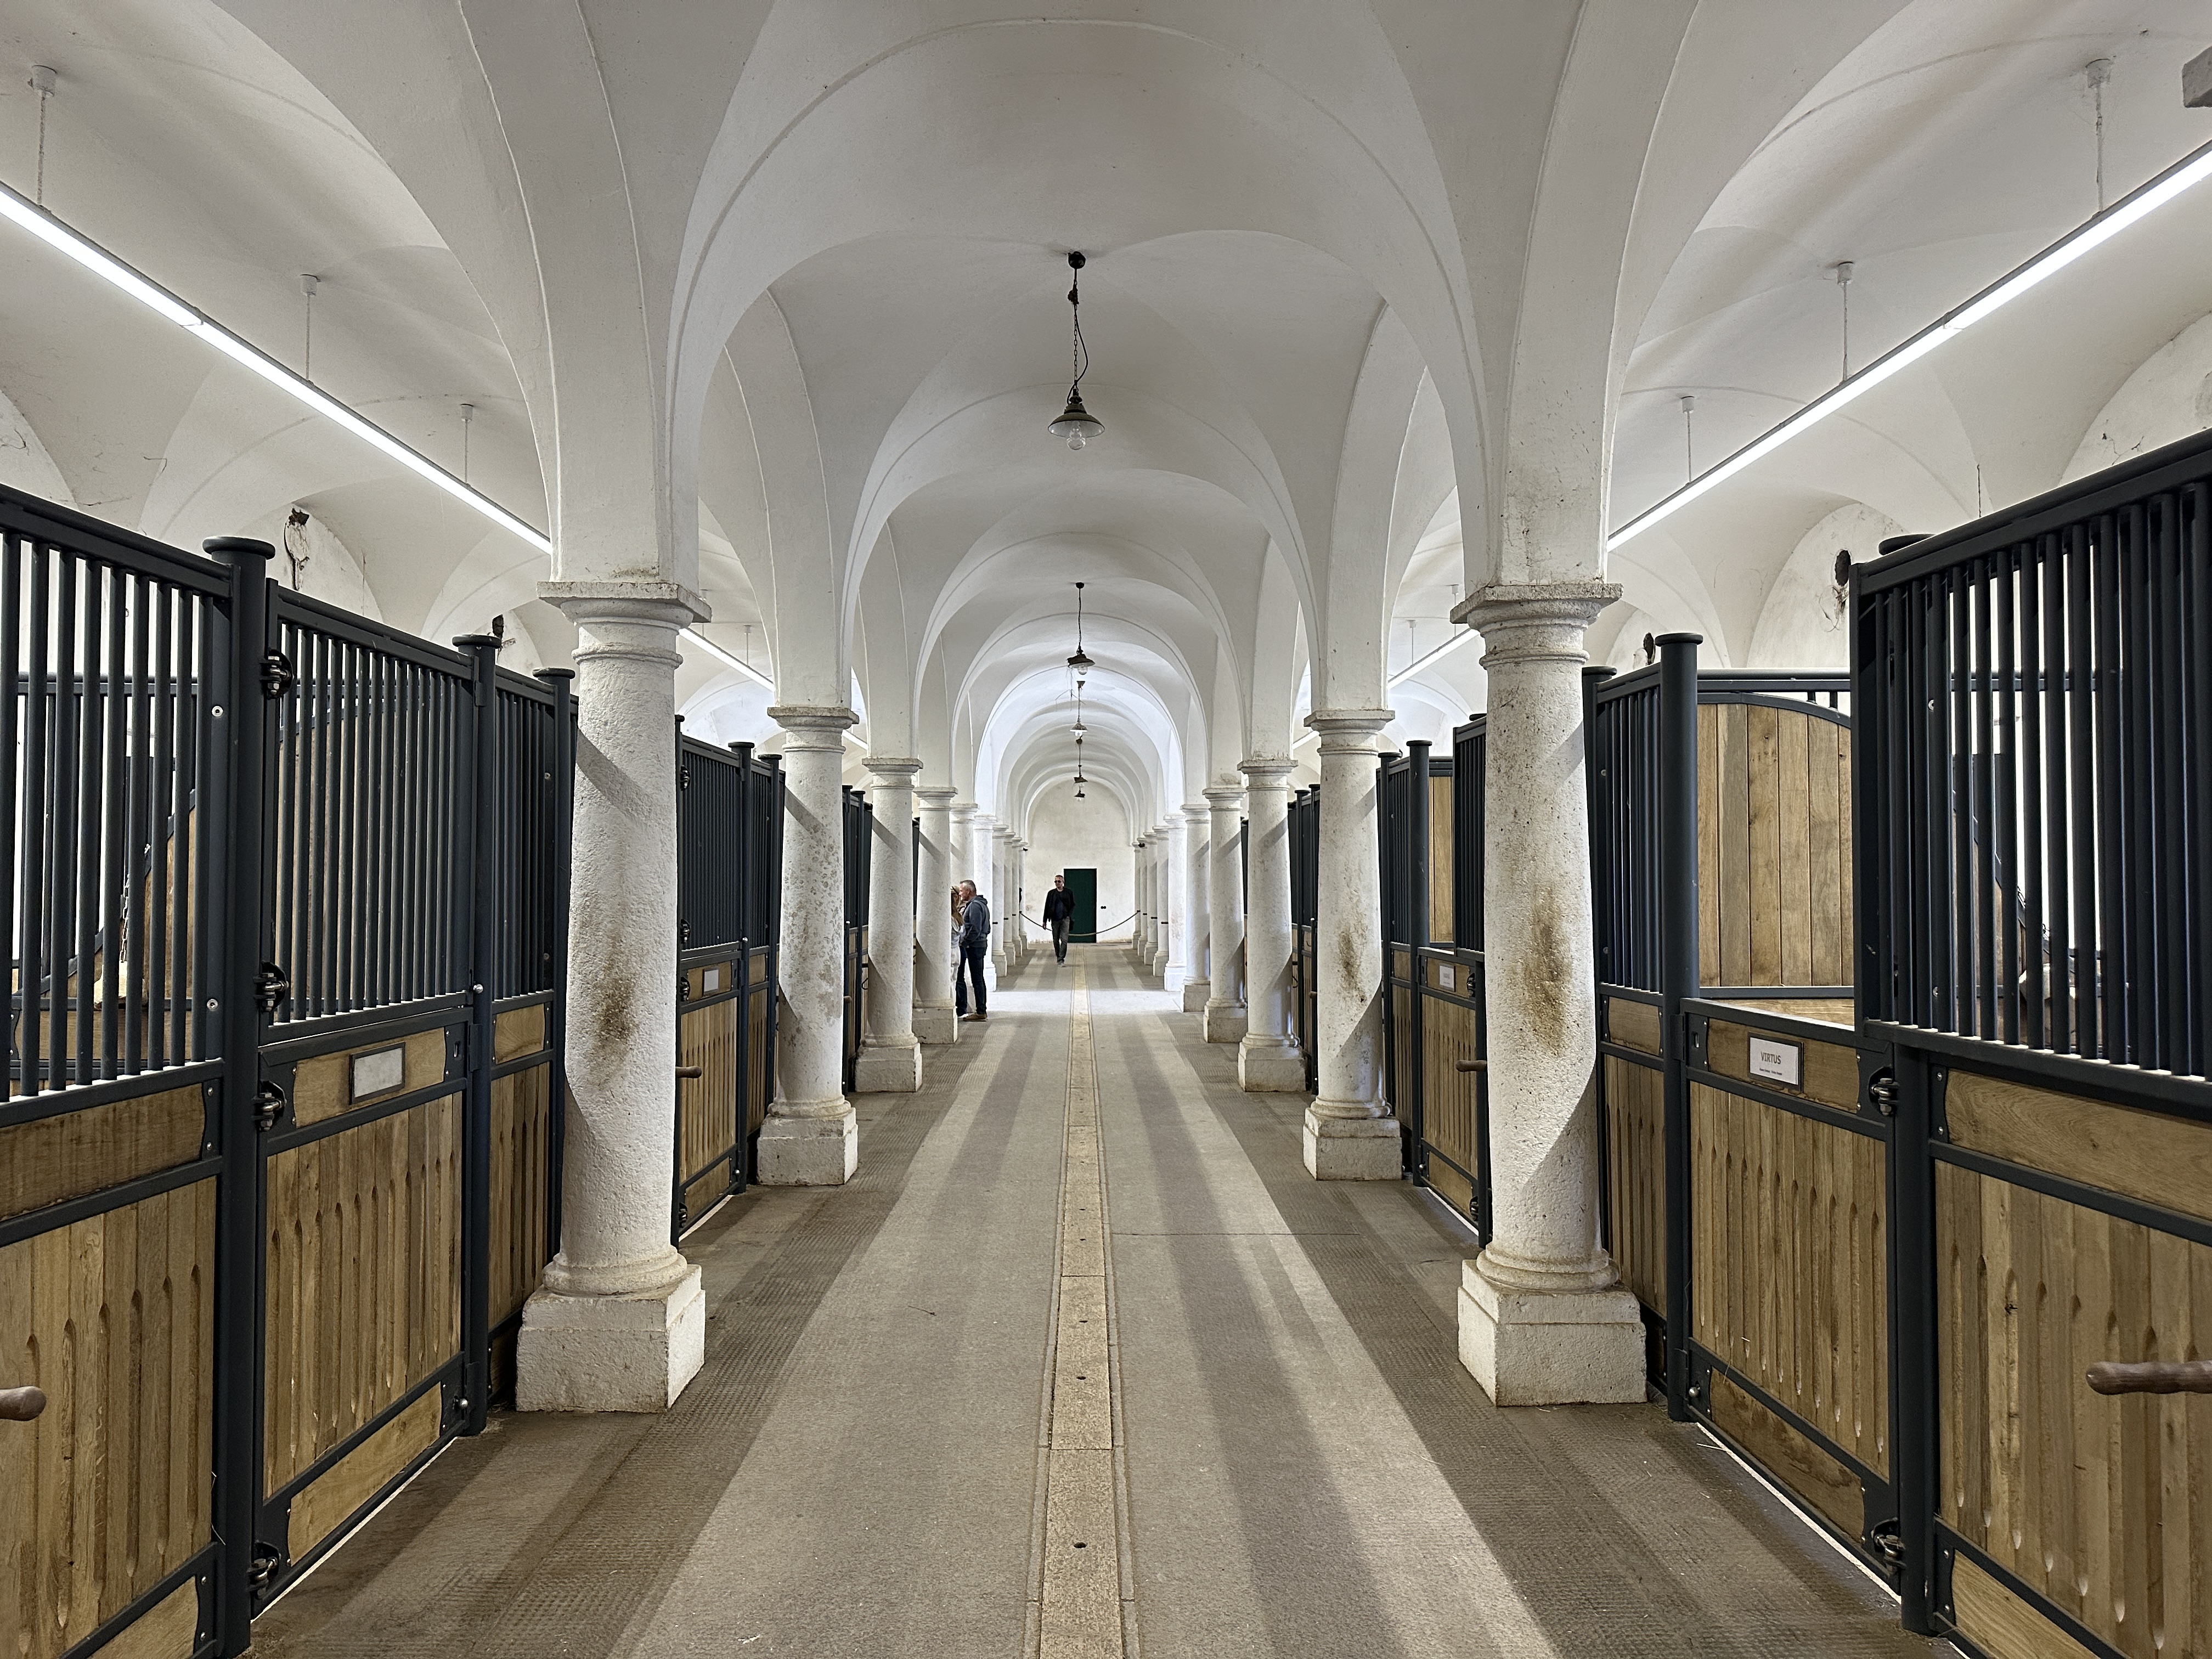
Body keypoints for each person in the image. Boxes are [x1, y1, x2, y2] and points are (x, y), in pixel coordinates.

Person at [953, 880, 991, 1021]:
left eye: (962, 891)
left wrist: (964, 942)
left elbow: (975, 929)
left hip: (975, 946)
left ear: (968, 891)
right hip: (979, 944)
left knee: (977, 979)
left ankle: (981, 1011)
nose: (960, 894)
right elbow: (986, 929)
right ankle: (981, 1009)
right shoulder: (981, 905)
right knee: (978, 978)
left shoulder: (974, 906)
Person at [1042, 873, 1074, 964]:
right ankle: (1058, 955)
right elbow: (1047, 907)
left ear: (1063, 882)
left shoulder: (1069, 893)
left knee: (1064, 939)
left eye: (1059, 881)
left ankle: (1061, 958)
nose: (1057, 883)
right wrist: (1045, 921)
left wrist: (1068, 915)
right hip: (1055, 919)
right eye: (1055, 882)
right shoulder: (1051, 894)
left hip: (1065, 919)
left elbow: (1072, 905)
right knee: (1056, 939)